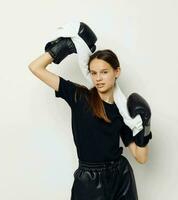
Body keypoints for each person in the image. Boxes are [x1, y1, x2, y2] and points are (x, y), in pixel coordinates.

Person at [29, 45, 151, 199]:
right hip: (89, 180)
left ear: (117, 72)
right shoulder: (79, 97)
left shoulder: (123, 111)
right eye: (94, 73)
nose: (98, 78)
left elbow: (141, 157)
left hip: (120, 176)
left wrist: (145, 127)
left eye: (104, 72)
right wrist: (64, 45)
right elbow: (36, 68)